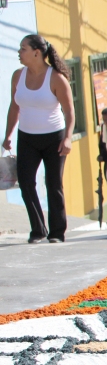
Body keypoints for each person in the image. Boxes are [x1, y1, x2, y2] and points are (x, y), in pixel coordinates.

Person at [3, 34, 74, 243]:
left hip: (54, 138)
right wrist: (8, 135)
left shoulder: (56, 78)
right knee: (25, 182)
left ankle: (57, 232)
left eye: (23, 48)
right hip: (27, 138)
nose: (19, 52)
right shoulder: (17, 76)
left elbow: (70, 112)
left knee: (53, 184)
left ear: (37, 52)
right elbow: (14, 106)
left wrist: (68, 138)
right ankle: (38, 229)